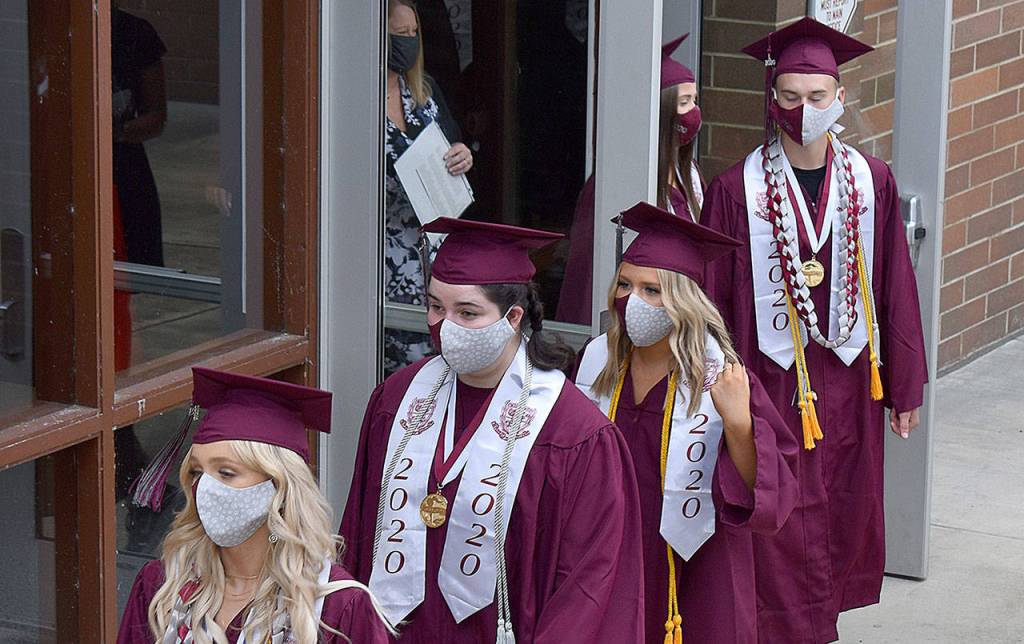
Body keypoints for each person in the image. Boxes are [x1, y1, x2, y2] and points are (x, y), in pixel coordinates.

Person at [698, 18, 929, 643]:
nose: (805, 110)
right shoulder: (733, 189)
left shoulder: (870, 183)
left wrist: (905, 385)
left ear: (840, 99)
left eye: (818, 96)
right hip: (769, 383)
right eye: (791, 97)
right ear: (773, 100)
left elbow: (895, 288)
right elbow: (712, 304)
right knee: (779, 515)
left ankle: (817, 627)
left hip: (849, 382)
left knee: (839, 511)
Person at [340, 218, 645, 642]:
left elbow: (587, 586)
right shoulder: (397, 400)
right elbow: (359, 532)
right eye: (435, 307)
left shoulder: (572, 434)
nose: (444, 327)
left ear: (514, 316)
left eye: (466, 312)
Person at [574, 202, 799, 643]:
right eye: (625, 285)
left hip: (695, 564)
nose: (632, 301)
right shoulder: (597, 363)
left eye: (652, 290)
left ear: (684, 300)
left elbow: (766, 496)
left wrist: (738, 425)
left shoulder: (725, 377)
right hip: (606, 553)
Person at [118, 368, 393, 643]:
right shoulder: (162, 587)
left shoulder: (338, 608)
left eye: (226, 473)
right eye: (197, 472)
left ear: (280, 487)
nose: (205, 488)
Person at [556, 34, 705, 325]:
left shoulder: (691, 174)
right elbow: (589, 278)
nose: (695, 113)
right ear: (660, 112)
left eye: (695, 101)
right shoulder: (614, 183)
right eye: (685, 102)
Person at [385, 0, 473, 373]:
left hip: (434, 253)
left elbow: (454, 145)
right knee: (400, 362)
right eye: (398, 34)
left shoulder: (424, 90)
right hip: (386, 259)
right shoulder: (352, 102)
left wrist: (463, 155)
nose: (408, 42)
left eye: (412, 34)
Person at [112, 2, 168, 268]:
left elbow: (156, 118)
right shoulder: (59, 30)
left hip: (124, 165)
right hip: (73, 164)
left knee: (133, 265)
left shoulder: (135, 33)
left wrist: (117, 132)